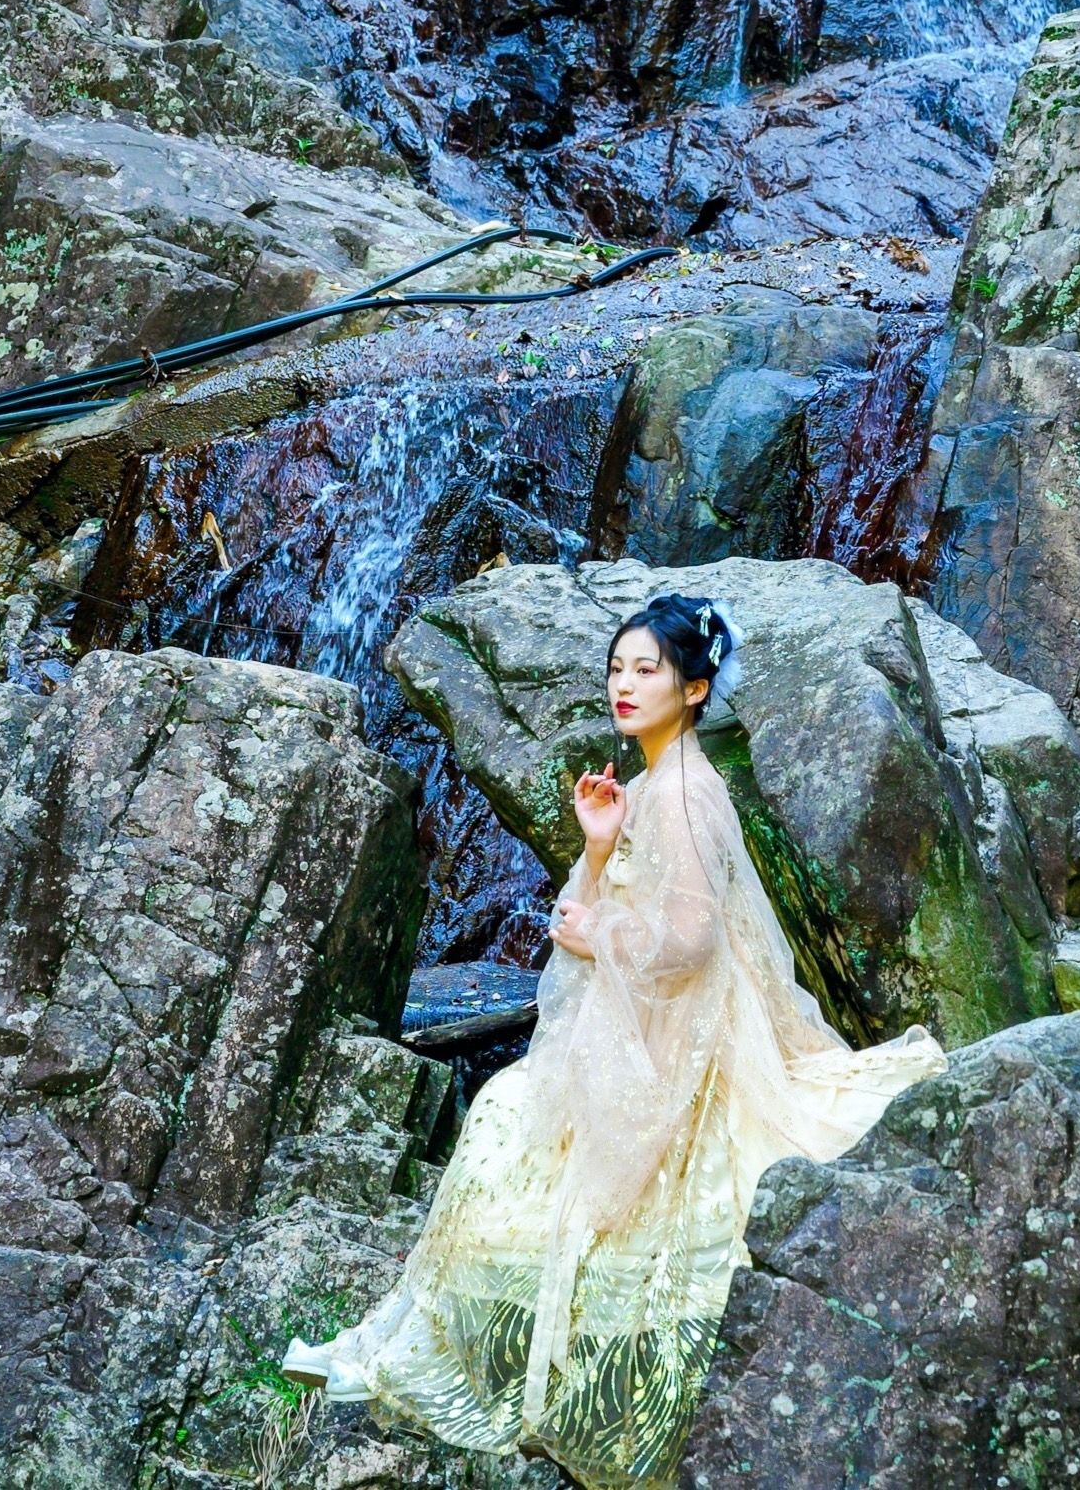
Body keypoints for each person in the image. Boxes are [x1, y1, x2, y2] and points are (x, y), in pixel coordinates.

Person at [279, 591, 946, 1487]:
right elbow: (572, 921)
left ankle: (425, 1344)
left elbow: (692, 940)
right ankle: (403, 1330)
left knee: (506, 1125)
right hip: (647, 1023)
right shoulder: (643, 786)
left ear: (696, 688)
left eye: (649, 670)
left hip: (681, 1039)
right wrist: (597, 846)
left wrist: (603, 935)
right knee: (506, 1115)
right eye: (618, 666)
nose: (625, 685)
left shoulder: (682, 794)